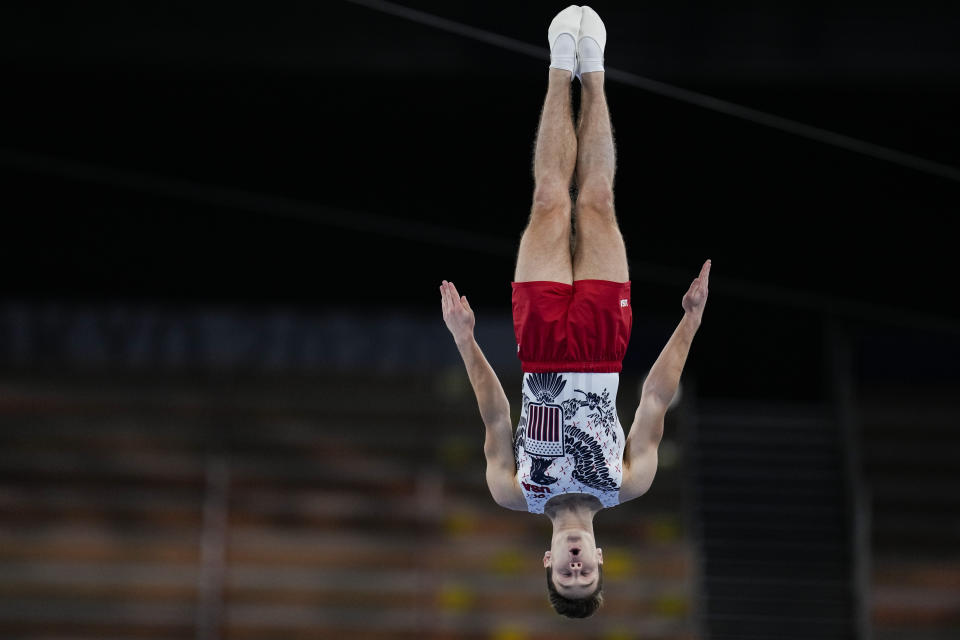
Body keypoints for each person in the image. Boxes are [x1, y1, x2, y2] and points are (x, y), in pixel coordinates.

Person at [439, 5, 710, 618]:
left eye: (567, 575)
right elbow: (656, 399)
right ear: (601, 560)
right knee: (597, 202)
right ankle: (596, 72)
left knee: (547, 201)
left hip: (538, 347)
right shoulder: (628, 481)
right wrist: (689, 321)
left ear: (549, 563)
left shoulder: (512, 491)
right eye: (586, 575)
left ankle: (561, 68)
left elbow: (493, 410)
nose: (577, 566)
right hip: (602, 346)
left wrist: (463, 339)